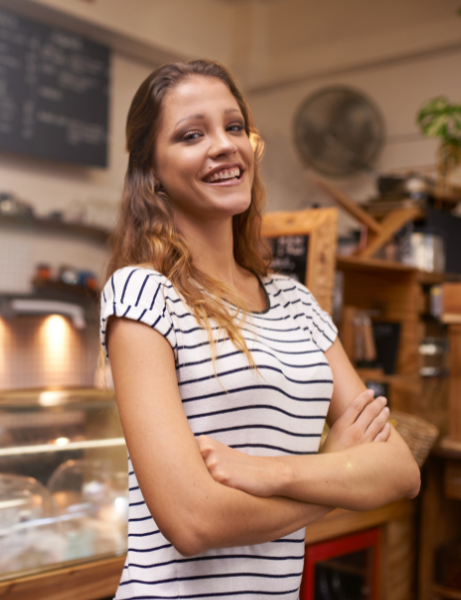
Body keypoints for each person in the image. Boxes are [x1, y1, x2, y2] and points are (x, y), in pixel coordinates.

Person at [100, 59, 421, 599]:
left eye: (233, 127)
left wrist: (273, 473)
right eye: (191, 134)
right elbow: (192, 520)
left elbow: (399, 470)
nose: (224, 145)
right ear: (151, 170)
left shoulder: (295, 302)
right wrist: (336, 471)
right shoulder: (143, 294)